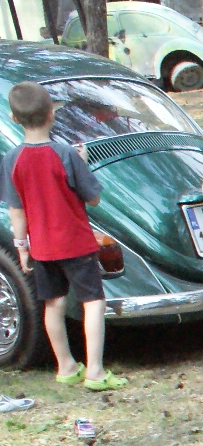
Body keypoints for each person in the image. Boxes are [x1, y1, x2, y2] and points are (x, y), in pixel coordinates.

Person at [2, 82, 122, 391]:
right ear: (52, 115)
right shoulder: (66, 154)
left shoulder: (11, 160)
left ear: (15, 119)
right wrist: (82, 164)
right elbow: (93, 199)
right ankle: (95, 371)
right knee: (93, 303)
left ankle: (66, 366)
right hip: (76, 243)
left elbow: (17, 211)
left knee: (53, 304)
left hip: (42, 248)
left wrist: (22, 248)